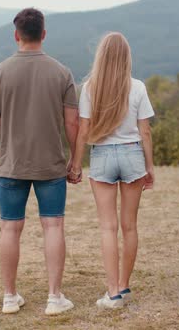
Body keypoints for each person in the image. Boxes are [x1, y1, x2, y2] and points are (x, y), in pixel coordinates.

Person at [0, 8, 80, 316]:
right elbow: (73, 122)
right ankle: (54, 297)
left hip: (10, 164)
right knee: (53, 225)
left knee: (10, 229)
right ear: (44, 34)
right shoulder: (62, 72)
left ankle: (10, 297)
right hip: (51, 164)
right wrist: (76, 159)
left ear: (16, 35)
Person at [70, 32, 155, 309]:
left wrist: (76, 163)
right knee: (130, 226)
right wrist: (149, 166)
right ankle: (124, 285)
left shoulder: (90, 88)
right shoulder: (138, 87)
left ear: (101, 57)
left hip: (103, 155)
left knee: (108, 227)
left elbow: (83, 131)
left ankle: (112, 293)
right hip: (132, 155)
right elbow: (145, 131)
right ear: (126, 57)